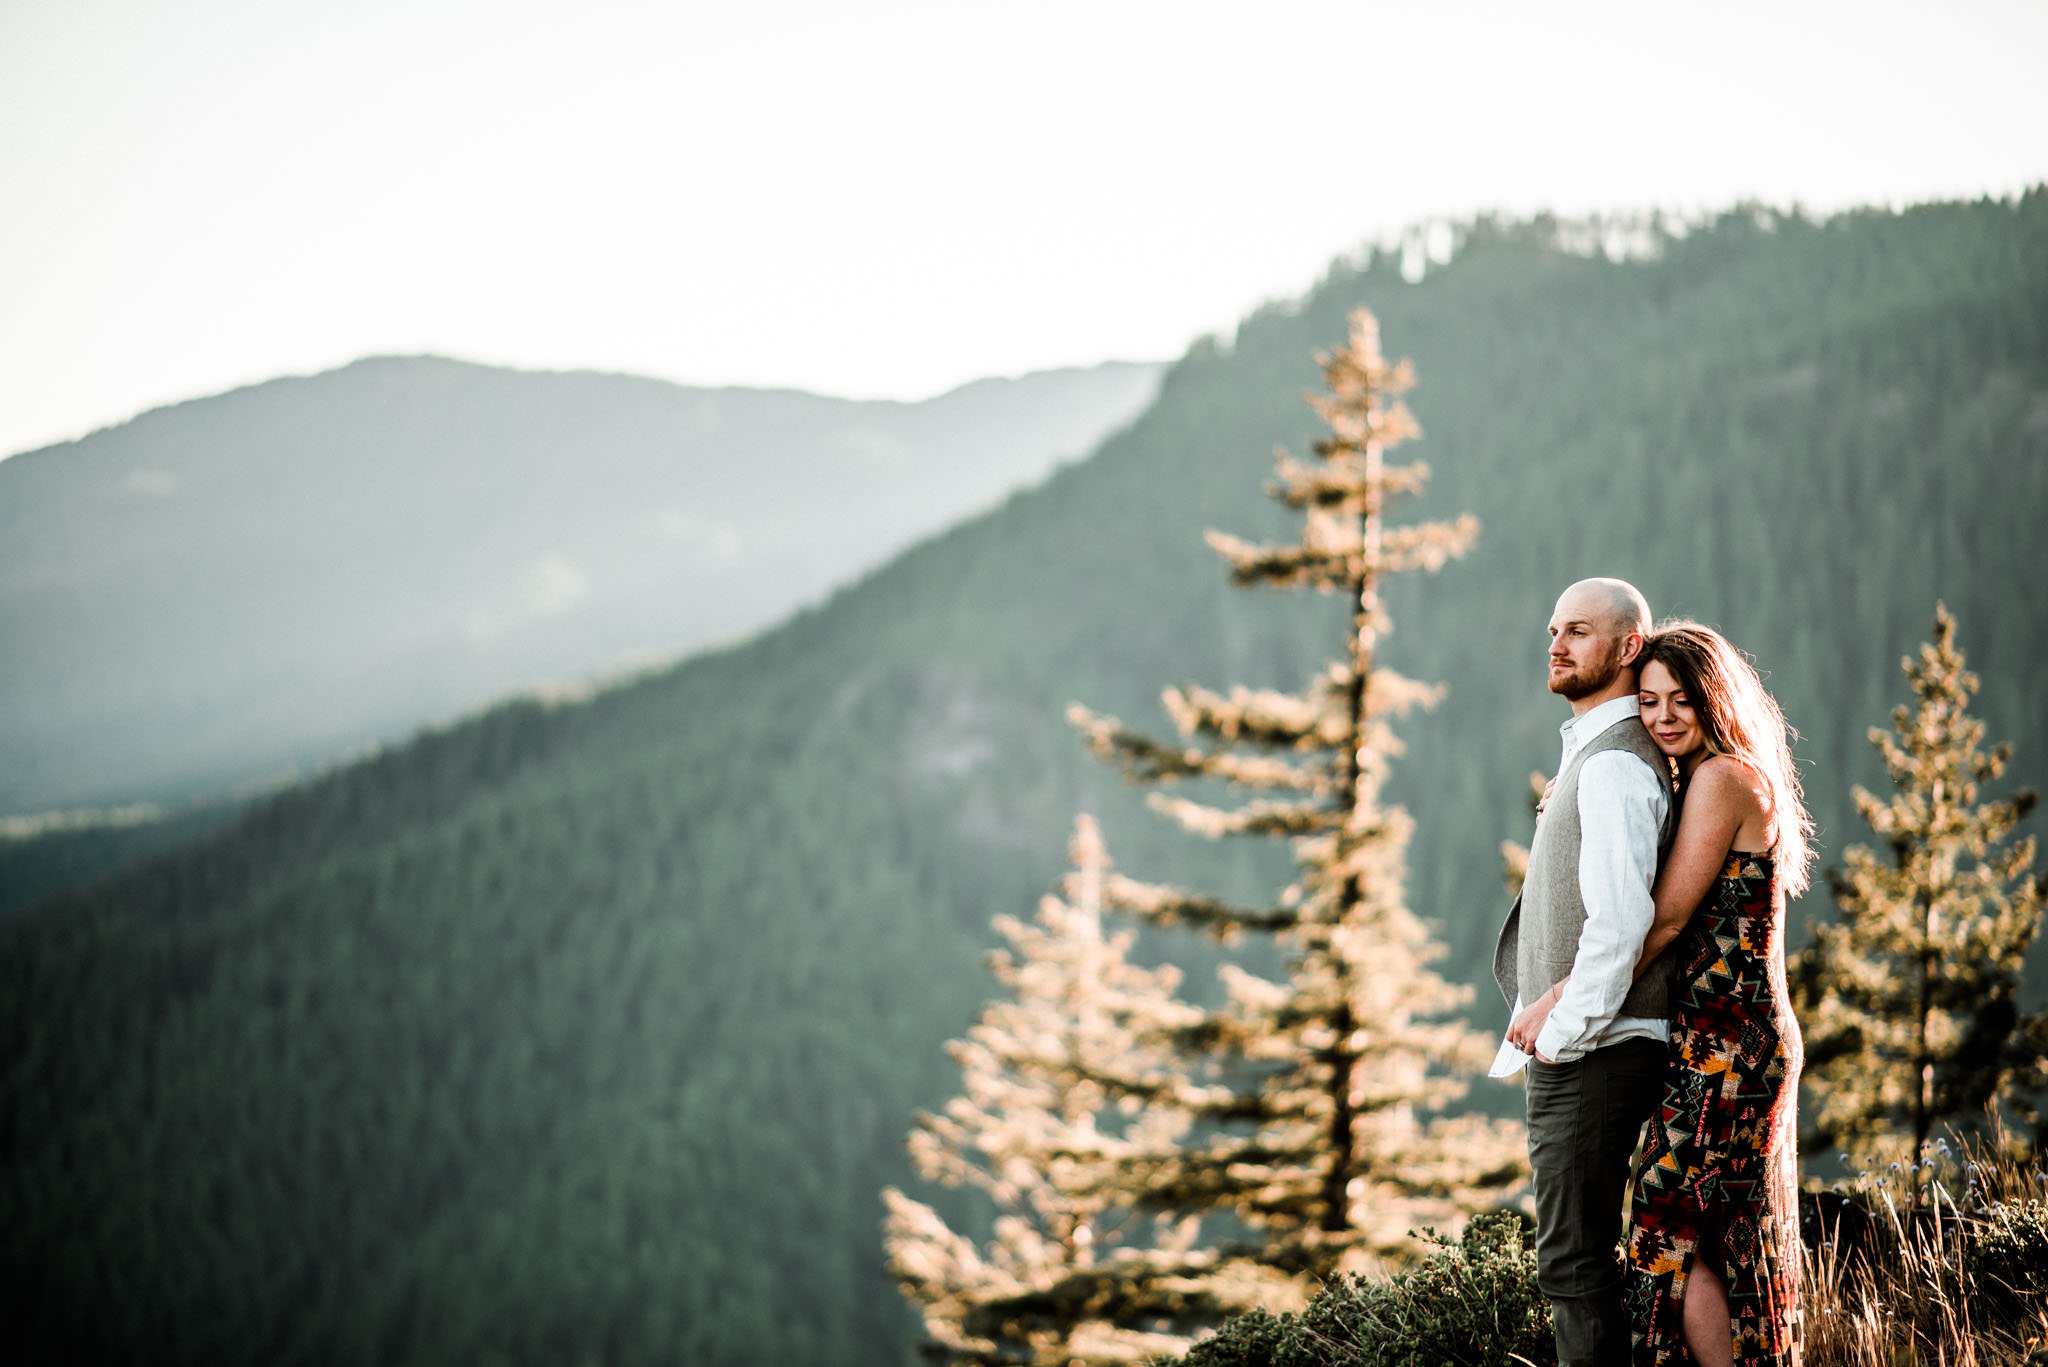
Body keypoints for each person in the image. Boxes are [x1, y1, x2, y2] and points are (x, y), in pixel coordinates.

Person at [1512, 622, 1812, 1367]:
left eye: (1683, 699)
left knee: (1663, 1220)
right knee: (1703, 1225)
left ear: (1717, 699)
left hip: (1732, 1039)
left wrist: (1564, 994)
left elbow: (1666, 914)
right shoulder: (1701, 776)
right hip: (1714, 1034)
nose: (1665, 716)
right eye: (1648, 701)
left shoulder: (1724, 779)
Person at [1491, 577, 1678, 1367]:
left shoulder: (1613, 766)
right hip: (1589, 1047)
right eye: (1552, 629)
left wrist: (1563, 1036)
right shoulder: (1595, 753)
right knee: (1575, 1261)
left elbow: (1622, 924)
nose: (1556, 644)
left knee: (1572, 1265)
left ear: (1628, 647)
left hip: (1597, 1050)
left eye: (1578, 631)